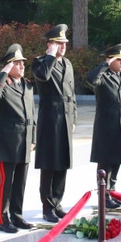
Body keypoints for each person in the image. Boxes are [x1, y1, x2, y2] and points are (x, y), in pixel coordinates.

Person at [32, 24, 77, 223]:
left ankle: (58, 202)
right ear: (49, 45)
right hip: (50, 118)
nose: (63, 47)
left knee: (62, 162)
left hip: (65, 117)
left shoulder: (67, 64)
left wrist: (73, 117)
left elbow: (72, 94)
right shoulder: (40, 62)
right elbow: (43, 76)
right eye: (59, 43)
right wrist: (50, 56)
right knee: (49, 163)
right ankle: (47, 206)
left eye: (65, 43)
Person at [0, 44, 36, 233]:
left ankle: (17, 215)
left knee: (20, 181)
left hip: (24, 140)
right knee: (6, 182)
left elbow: (32, 112)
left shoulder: (27, 84)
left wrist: (33, 137)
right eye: (17, 63)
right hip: (8, 141)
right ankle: (3, 218)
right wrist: (3, 73)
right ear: (8, 66)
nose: (22, 66)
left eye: (22, 63)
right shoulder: (2, 85)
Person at [86, 43, 121, 210]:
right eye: (118, 60)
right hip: (107, 126)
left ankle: (113, 193)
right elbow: (91, 79)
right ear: (110, 60)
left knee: (117, 161)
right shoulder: (103, 76)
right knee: (105, 163)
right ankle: (104, 196)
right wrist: (105, 64)